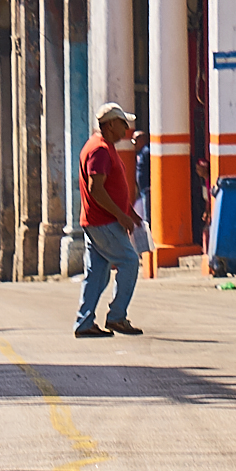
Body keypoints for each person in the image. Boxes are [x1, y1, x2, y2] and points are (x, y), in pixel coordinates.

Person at [75, 103, 144, 338]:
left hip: (96, 221)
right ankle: (116, 316)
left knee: (97, 273)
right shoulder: (101, 149)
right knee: (129, 262)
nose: (126, 128)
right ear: (111, 124)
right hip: (103, 222)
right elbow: (97, 189)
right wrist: (120, 215)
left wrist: (129, 213)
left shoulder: (103, 146)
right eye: (123, 123)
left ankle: (84, 323)